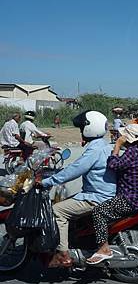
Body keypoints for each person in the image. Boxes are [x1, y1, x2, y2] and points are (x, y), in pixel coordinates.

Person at [42, 111, 116, 267]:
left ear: (90, 128)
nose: (81, 131)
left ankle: (63, 254)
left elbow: (76, 169)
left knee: (57, 210)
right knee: (68, 203)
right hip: (103, 194)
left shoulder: (94, 150)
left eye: (82, 128)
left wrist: (48, 181)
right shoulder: (104, 145)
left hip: (96, 197)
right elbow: (77, 166)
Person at [87, 123, 138, 264]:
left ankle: (104, 248)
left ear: (127, 138)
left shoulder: (132, 152)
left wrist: (117, 145)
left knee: (99, 211)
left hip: (132, 199)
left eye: (122, 135)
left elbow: (113, 165)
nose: (119, 136)